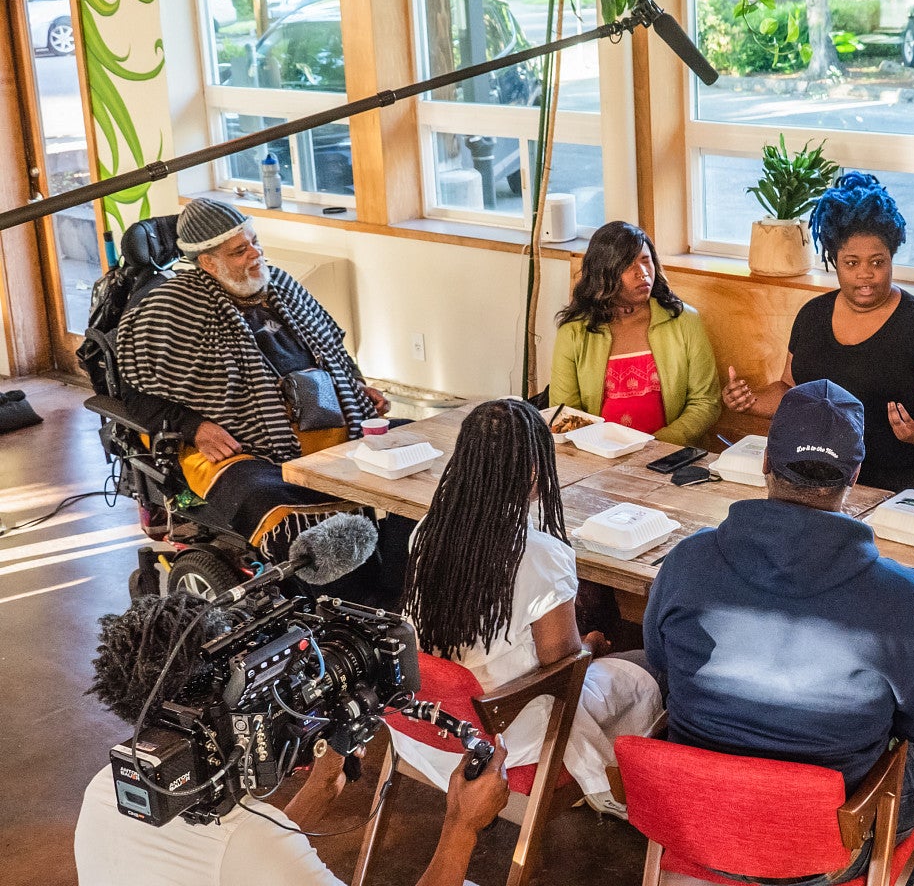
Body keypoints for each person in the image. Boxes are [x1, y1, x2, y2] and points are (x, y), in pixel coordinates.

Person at [645, 380, 914, 882]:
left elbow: (662, 670)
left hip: (693, 824)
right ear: (855, 473)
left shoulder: (687, 560)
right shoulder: (900, 596)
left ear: (766, 460)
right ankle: (912, 866)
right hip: (823, 845)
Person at [75, 592, 511, 886]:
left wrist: (324, 779)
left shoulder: (107, 787)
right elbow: (248, 854)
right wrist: (461, 824)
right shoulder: (253, 847)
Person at [398, 398, 663, 819]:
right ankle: (646, 797)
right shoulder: (540, 555)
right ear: (536, 471)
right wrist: (591, 646)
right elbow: (564, 667)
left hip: (426, 727)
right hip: (501, 736)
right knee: (650, 664)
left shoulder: (426, 532)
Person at [115, 198, 400, 583]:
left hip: (327, 425)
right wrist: (194, 427)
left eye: (254, 241)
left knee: (414, 460)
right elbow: (135, 396)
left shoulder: (280, 282)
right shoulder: (169, 308)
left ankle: (401, 580)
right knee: (273, 501)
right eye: (239, 250)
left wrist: (354, 388)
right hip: (236, 444)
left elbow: (330, 352)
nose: (256, 253)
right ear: (207, 262)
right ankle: (340, 602)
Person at [721, 173, 914, 492]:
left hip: (891, 484)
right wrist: (751, 401)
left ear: (891, 258)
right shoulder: (813, 315)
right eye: (851, 263)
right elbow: (790, 390)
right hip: (811, 477)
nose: (866, 273)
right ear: (833, 261)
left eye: (877, 262)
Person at [551, 220, 721, 447]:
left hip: (669, 455)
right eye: (628, 265)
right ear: (604, 273)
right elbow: (567, 411)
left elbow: (706, 402)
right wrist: (607, 447)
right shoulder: (574, 332)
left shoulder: (684, 320)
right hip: (598, 454)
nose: (642, 273)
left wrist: (656, 445)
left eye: (646, 260)